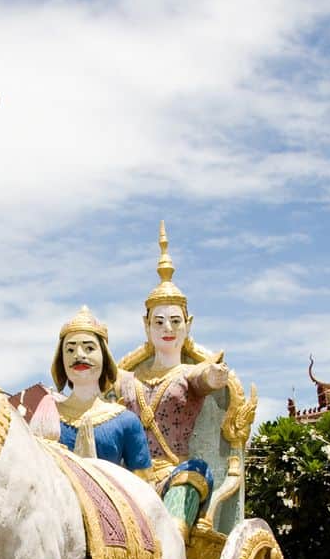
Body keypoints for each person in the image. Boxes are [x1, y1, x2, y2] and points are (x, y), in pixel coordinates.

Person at [114, 224, 243, 527]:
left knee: (185, 490)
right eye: (159, 322)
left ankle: (171, 549)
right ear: (146, 326)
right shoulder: (129, 378)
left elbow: (203, 378)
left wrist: (213, 374)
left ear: (188, 324)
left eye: (175, 321)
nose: (167, 329)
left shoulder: (187, 374)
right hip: (132, 479)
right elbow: (100, 375)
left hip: (178, 474)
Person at [35, 307, 153, 475]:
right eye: (70, 350)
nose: (79, 355)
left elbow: (143, 488)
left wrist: (94, 471)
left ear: (104, 357)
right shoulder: (47, 416)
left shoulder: (126, 421)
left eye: (89, 348)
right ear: (60, 360)